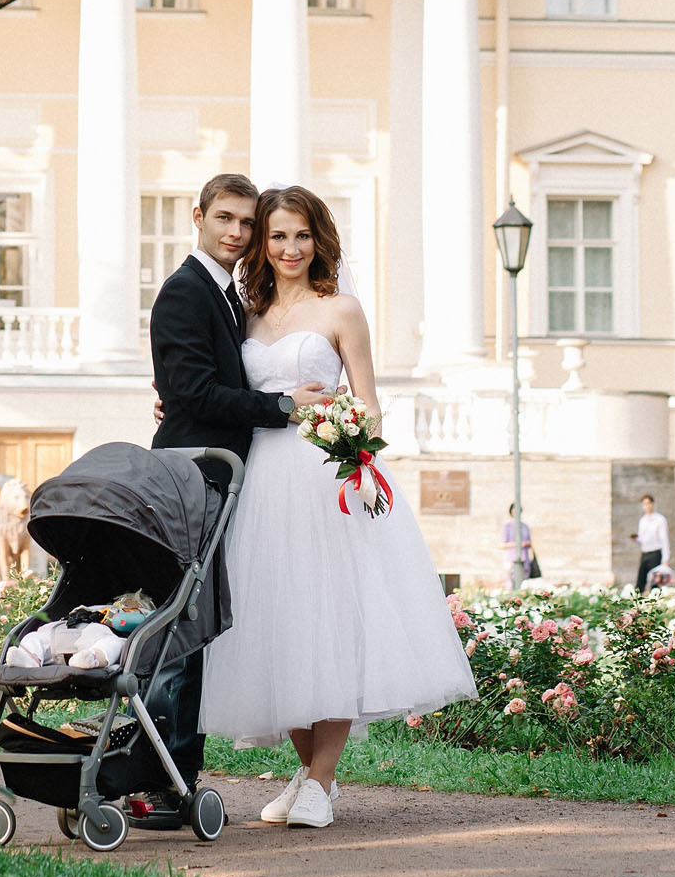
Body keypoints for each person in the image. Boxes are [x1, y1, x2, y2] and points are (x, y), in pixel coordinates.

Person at [198, 187, 475, 829]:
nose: (290, 249)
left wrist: (352, 442)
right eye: (277, 237)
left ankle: (322, 780)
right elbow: (225, 390)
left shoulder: (341, 310)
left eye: (301, 236)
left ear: (318, 240)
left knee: (330, 622)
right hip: (260, 481)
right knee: (277, 626)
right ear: (262, 245)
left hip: (327, 480)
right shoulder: (246, 312)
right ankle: (307, 772)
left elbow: (370, 402)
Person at [143, 173, 330, 817]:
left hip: (238, 475)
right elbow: (193, 393)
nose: (237, 233)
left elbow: (198, 380)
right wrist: (280, 405)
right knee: (181, 632)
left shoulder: (230, 296)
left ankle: (177, 777)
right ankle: (169, 782)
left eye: (248, 224)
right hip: (193, 475)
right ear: (197, 215)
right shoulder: (184, 292)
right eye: (225, 218)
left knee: (195, 629)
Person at [631, 493, 669, 592]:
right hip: (645, 553)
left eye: (648, 503)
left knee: (655, 582)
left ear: (652, 504)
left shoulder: (660, 519)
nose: (646, 506)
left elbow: (664, 540)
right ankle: (638, 604)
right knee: (640, 582)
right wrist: (636, 539)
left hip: (655, 553)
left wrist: (665, 559)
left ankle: (654, 604)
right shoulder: (642, 520)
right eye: (644, 504)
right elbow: (642, 540)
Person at [502, 504, 535, 591]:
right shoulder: (507, 526)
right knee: (510, 583)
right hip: (511, 558)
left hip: (524, 557)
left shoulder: (525, 526)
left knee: (524, 583)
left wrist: (526, 545)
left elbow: (530, 542)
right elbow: (502, 544)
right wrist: (517, 544)